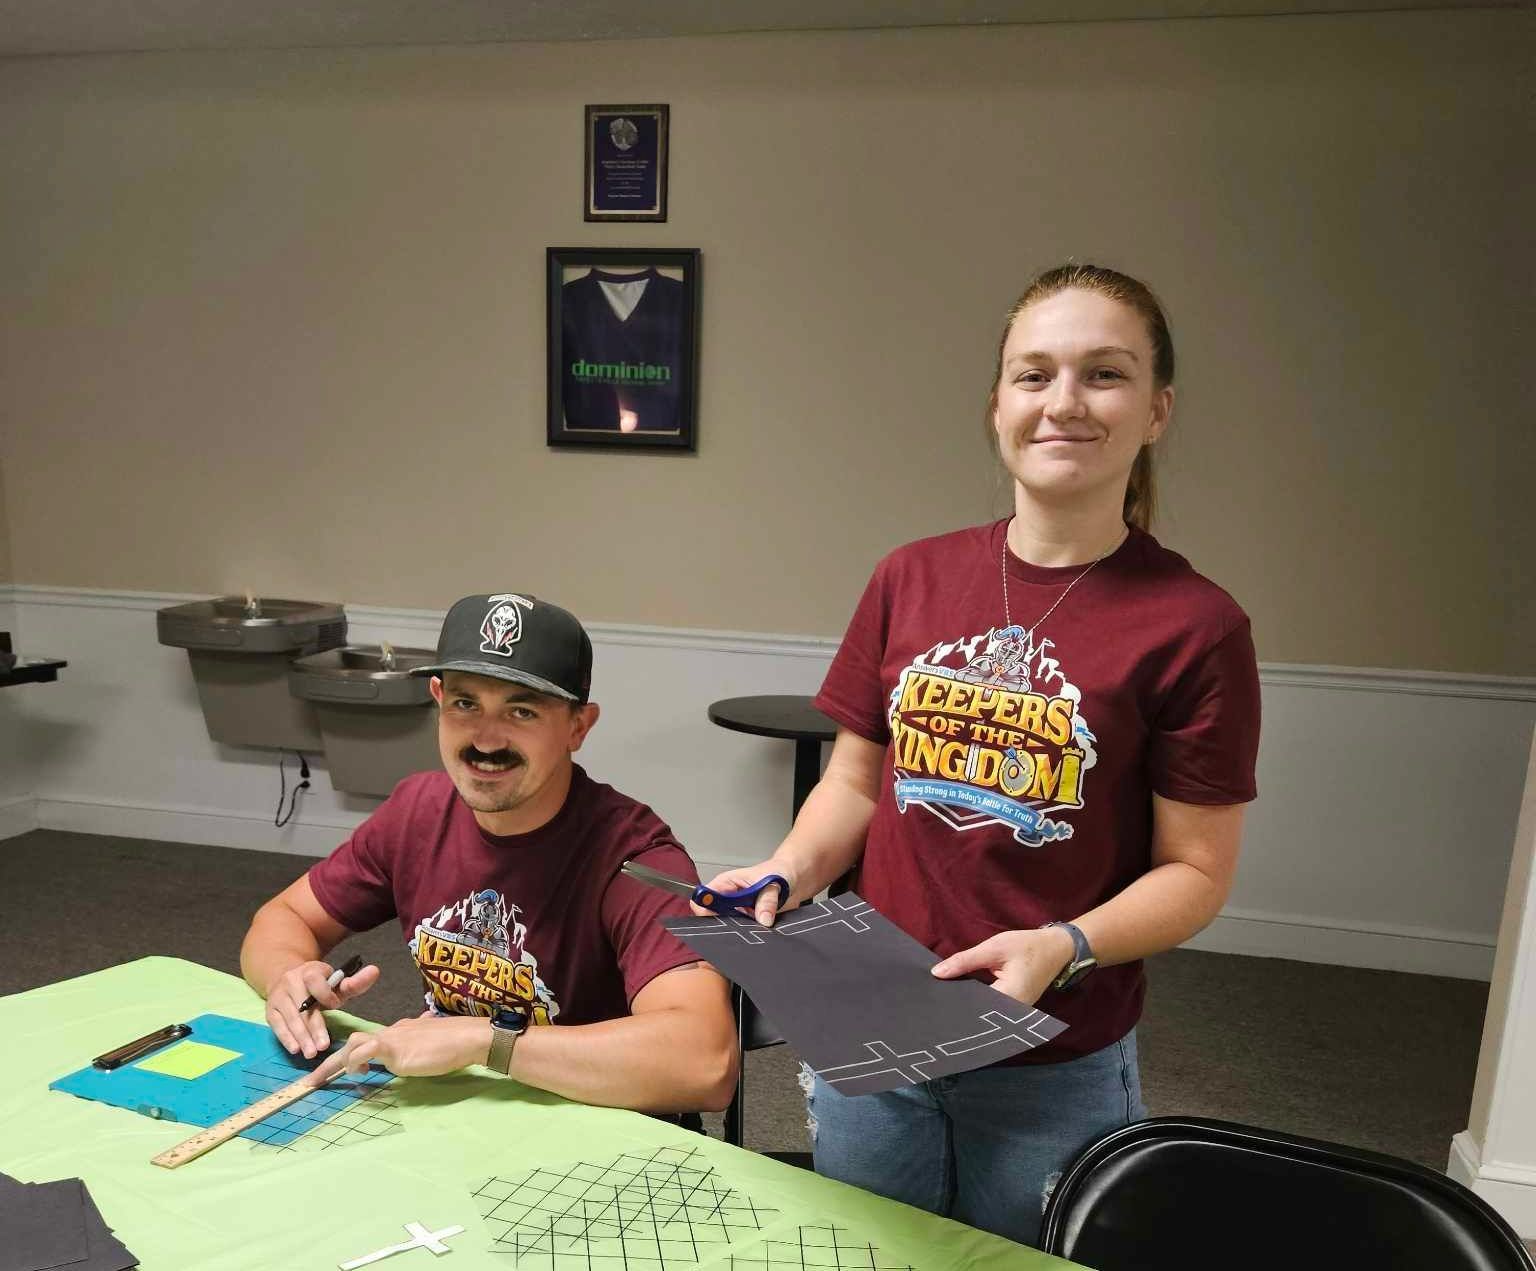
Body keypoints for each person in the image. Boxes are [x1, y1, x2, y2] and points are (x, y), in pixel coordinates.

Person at [705, 264, 1261, 1246]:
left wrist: (1065, 945)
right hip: (873, 1019)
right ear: (997, 404)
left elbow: (1197, 869)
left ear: (1157, 410)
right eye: (1035, 374)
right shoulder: (909, 576)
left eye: (1105, 374)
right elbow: (853, 782)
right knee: (871, 1252)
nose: (1065, 402)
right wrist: (789, 869)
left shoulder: (1195, 625)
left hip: (1053, 1052)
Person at [240, 592, 737, 1116]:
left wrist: (487, 1041)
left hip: (602, 1136)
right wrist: (288, 976)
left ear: (578, 726)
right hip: (459, 1110)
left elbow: (704, 1064)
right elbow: (283, 918)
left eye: (521, 711)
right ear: (436, 698)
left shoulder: (635, 858)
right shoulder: (417, 812)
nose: (485, 739)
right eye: (465, 704)